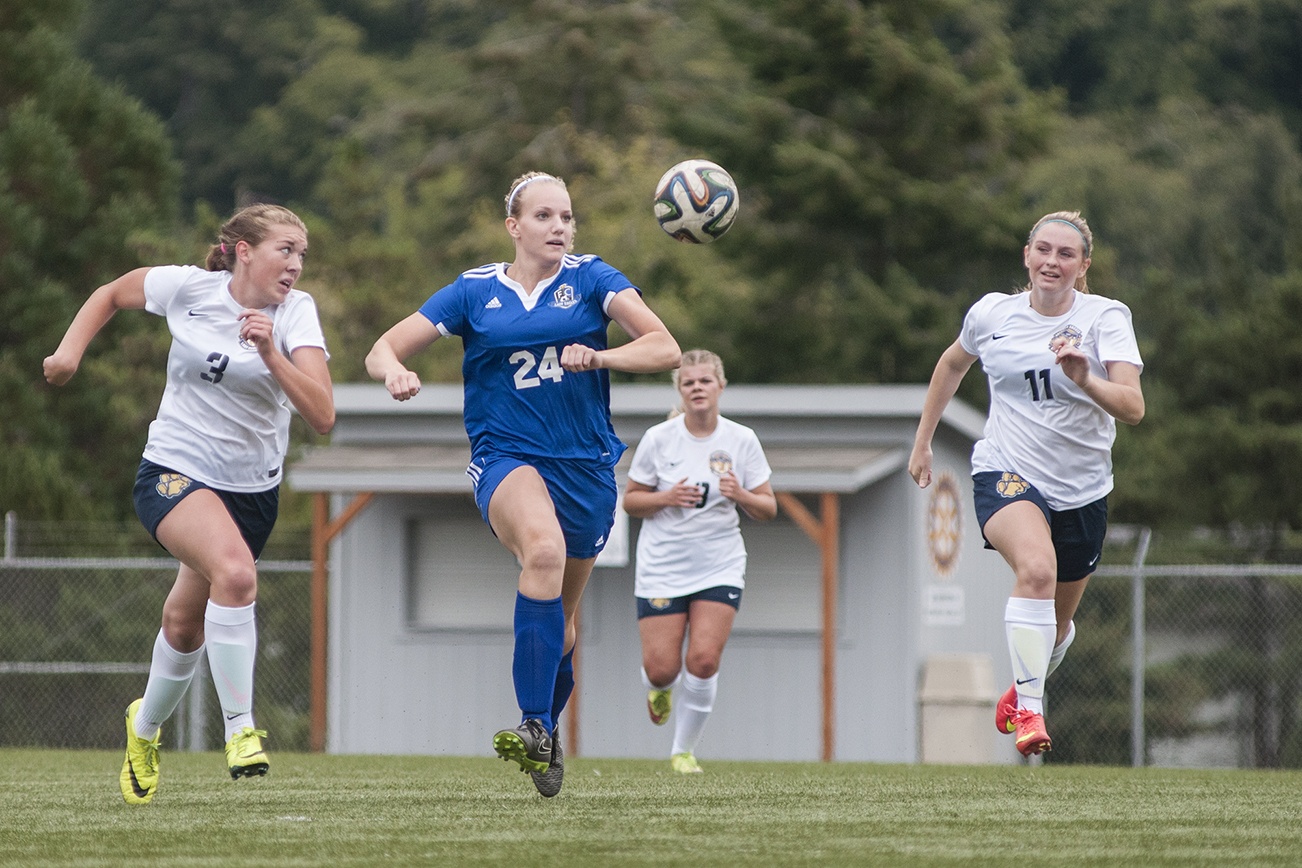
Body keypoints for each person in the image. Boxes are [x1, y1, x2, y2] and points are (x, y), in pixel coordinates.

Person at [365, 171, 681, 797]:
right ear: (514, 226)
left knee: (562, 625)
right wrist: (394, 371)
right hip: (505, 455)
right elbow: (383, 346)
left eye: (566, 217)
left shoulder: (593, 279)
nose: (559, 227)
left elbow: (665, 347)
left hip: (586, 466)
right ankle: (533, 724)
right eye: (543, 217)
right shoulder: (474, 291)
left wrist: (602, 356)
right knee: (541, 550)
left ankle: (547, 729)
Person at [43, 203, 335, 804]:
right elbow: (110, 294)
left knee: (183, 623)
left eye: (302, 254)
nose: (296, 265)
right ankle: (240, 730)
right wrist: (69, 353)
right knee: (235, 572)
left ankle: (143, 728)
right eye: (286, 250)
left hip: (251, 493)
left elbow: (323, 415)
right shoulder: (189, 288)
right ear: (244, 250)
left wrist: (273, 354)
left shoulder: (295, 315)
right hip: (174, 470)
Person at [908, 211, 1144, 758]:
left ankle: (1024, 686)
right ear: (1026, 254)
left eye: (1065, 254)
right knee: (1036, 570)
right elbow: (951, 365)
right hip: (1006, 470)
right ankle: (1032, 712)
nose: (1051, 262)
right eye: (1043, 250)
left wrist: (1086, 378)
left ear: (1083, 266)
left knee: (1056, 631)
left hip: (1083, 490)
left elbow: (1132, 407)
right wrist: (924, 441)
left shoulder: (1106, 317)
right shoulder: (992, 314)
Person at [623, 349, 777, 774]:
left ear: (720, 386)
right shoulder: (660, 439)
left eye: (705, 381)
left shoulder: (741, 439)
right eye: (688, 382)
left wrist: (740, 494)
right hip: (663, 565)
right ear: (680, 390)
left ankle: (683, 751)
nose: (697, 389)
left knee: (704, 660)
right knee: (661, 669)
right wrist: (666, 498)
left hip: (719, 563)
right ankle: (659, 689)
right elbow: (631, 500)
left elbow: (768, 507)